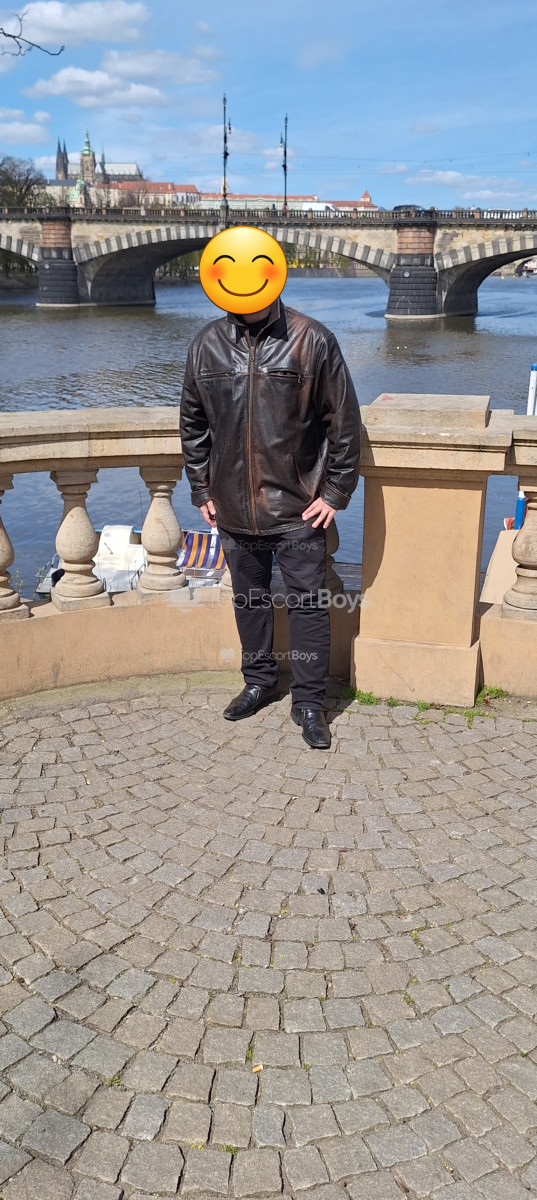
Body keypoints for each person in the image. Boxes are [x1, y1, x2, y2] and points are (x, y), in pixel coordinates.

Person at [180, 284, 362, 750]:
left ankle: (310, 703)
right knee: (249, 601)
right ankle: (258, 683)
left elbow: (343, 422)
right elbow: (193, 425)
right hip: (232, 506)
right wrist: (202, 486)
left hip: (298, 507)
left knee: (308, 605)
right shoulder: (206, 344)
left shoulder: (312, 339)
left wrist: (335, 492)